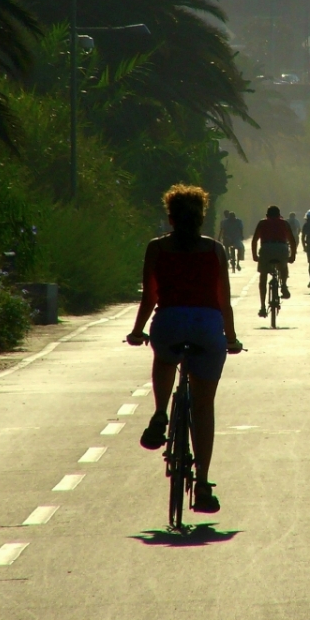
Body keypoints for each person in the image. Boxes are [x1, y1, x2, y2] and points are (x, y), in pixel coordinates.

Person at [126, 184, 242, 513]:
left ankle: (161, 413)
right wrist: (230, 339)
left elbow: (149, 296)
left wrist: (137, 331)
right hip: (207, 327)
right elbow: (224, 301)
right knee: (204, 408)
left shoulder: (156, 248)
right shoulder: (215, 250)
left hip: (169, 322)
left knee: (164, 358)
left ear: (170, 218)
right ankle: (203, 484)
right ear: (203, 217)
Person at [251, 205, 298, 317]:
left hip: (266, 248)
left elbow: (254, 241)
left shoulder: (262, 223)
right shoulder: (284, 223)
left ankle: (262, 306)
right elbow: (292, 241)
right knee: (283, 267)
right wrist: (292, 256)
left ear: (267, 215)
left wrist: (254, 256)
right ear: (279, 215)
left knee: (263, 277)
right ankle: (284, 286)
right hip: (281, 248)